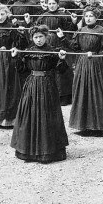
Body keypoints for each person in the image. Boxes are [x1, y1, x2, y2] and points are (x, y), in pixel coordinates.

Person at [57, 6, 103, 133]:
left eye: (91, 16)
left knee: (99, 90)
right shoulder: (80, 30)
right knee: (83, 90)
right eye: (86, 16)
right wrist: (62, 38)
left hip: (98, 63)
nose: (88, 18)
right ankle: (84, 125)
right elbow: (74, 46)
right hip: (83, 63)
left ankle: (100, 125)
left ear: (96, 17)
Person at [10, 25, 69, 163]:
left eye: (41, 37)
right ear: (32, 38)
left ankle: (48, 151)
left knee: (47, 115)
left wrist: (61, 59)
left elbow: (61, 70)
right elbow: (22, 69)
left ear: (46, 36)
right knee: (30, 114)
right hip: (32, 85)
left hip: (47, 85)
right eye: (35, 37)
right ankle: (29, 152)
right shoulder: (28, 51)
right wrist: (16, 58)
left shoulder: (52, 51)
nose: (38, 40)